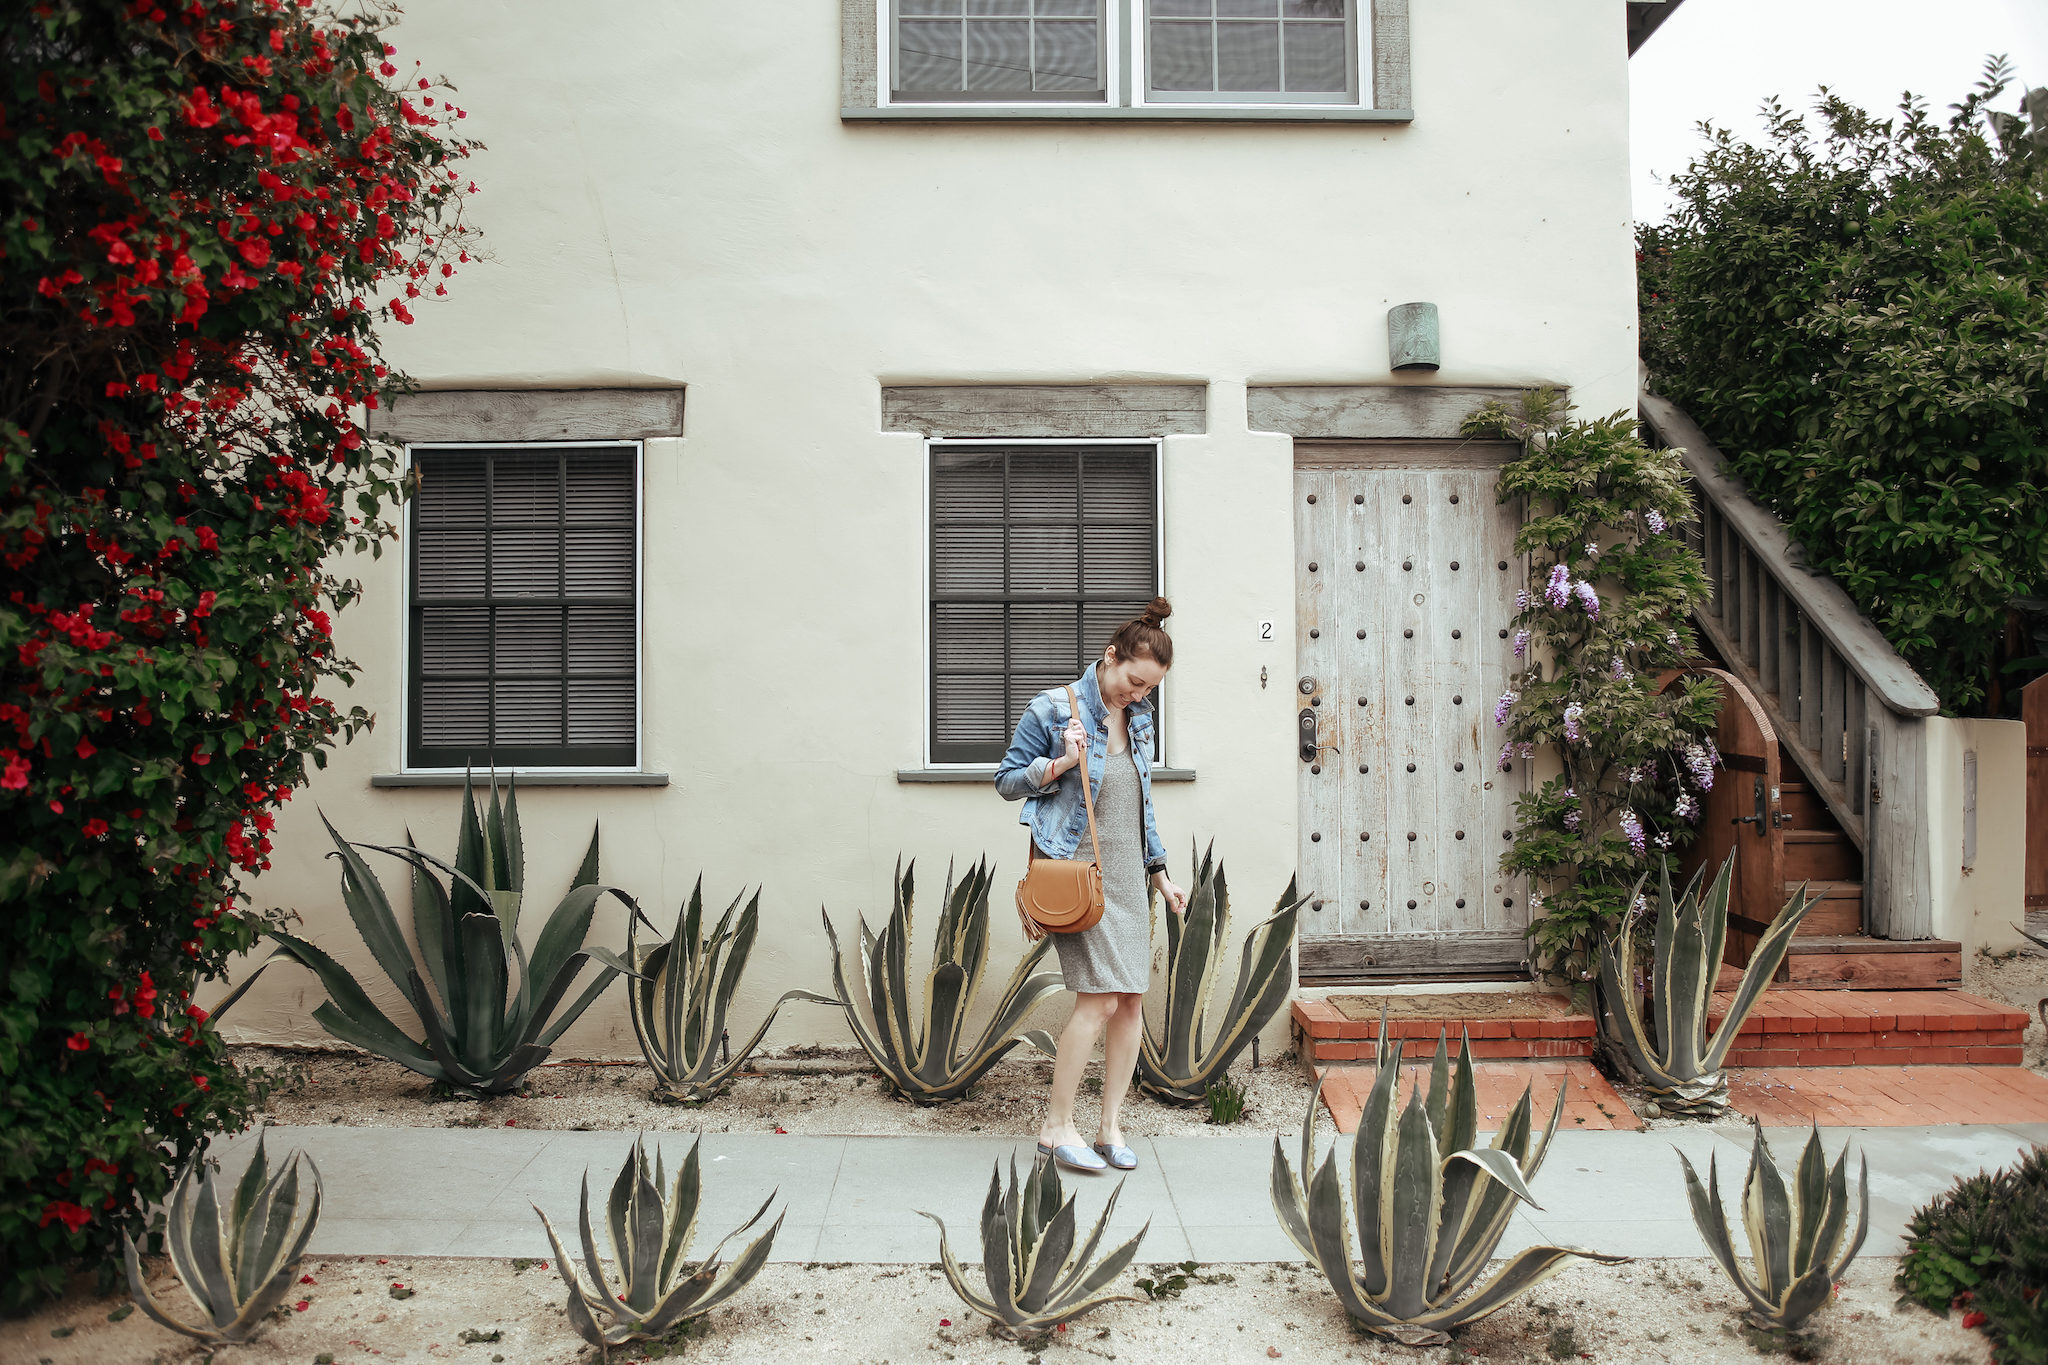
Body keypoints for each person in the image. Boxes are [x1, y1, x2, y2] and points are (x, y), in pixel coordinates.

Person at [995, 597, 1189, 1173]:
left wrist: (1161, 875)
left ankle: (1108, 1127)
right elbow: (1007, 781)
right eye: (1132, 681)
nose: (1137, 695)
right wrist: (1056, 763)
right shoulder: (1055, 708)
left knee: (1130, 1002)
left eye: (1148, 689)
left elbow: (1140, 806)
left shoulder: (1140, 718)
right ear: (1110, 657)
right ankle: (1056, 1127)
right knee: (1100, 997)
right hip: (1078, 873)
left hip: (1128, 874)